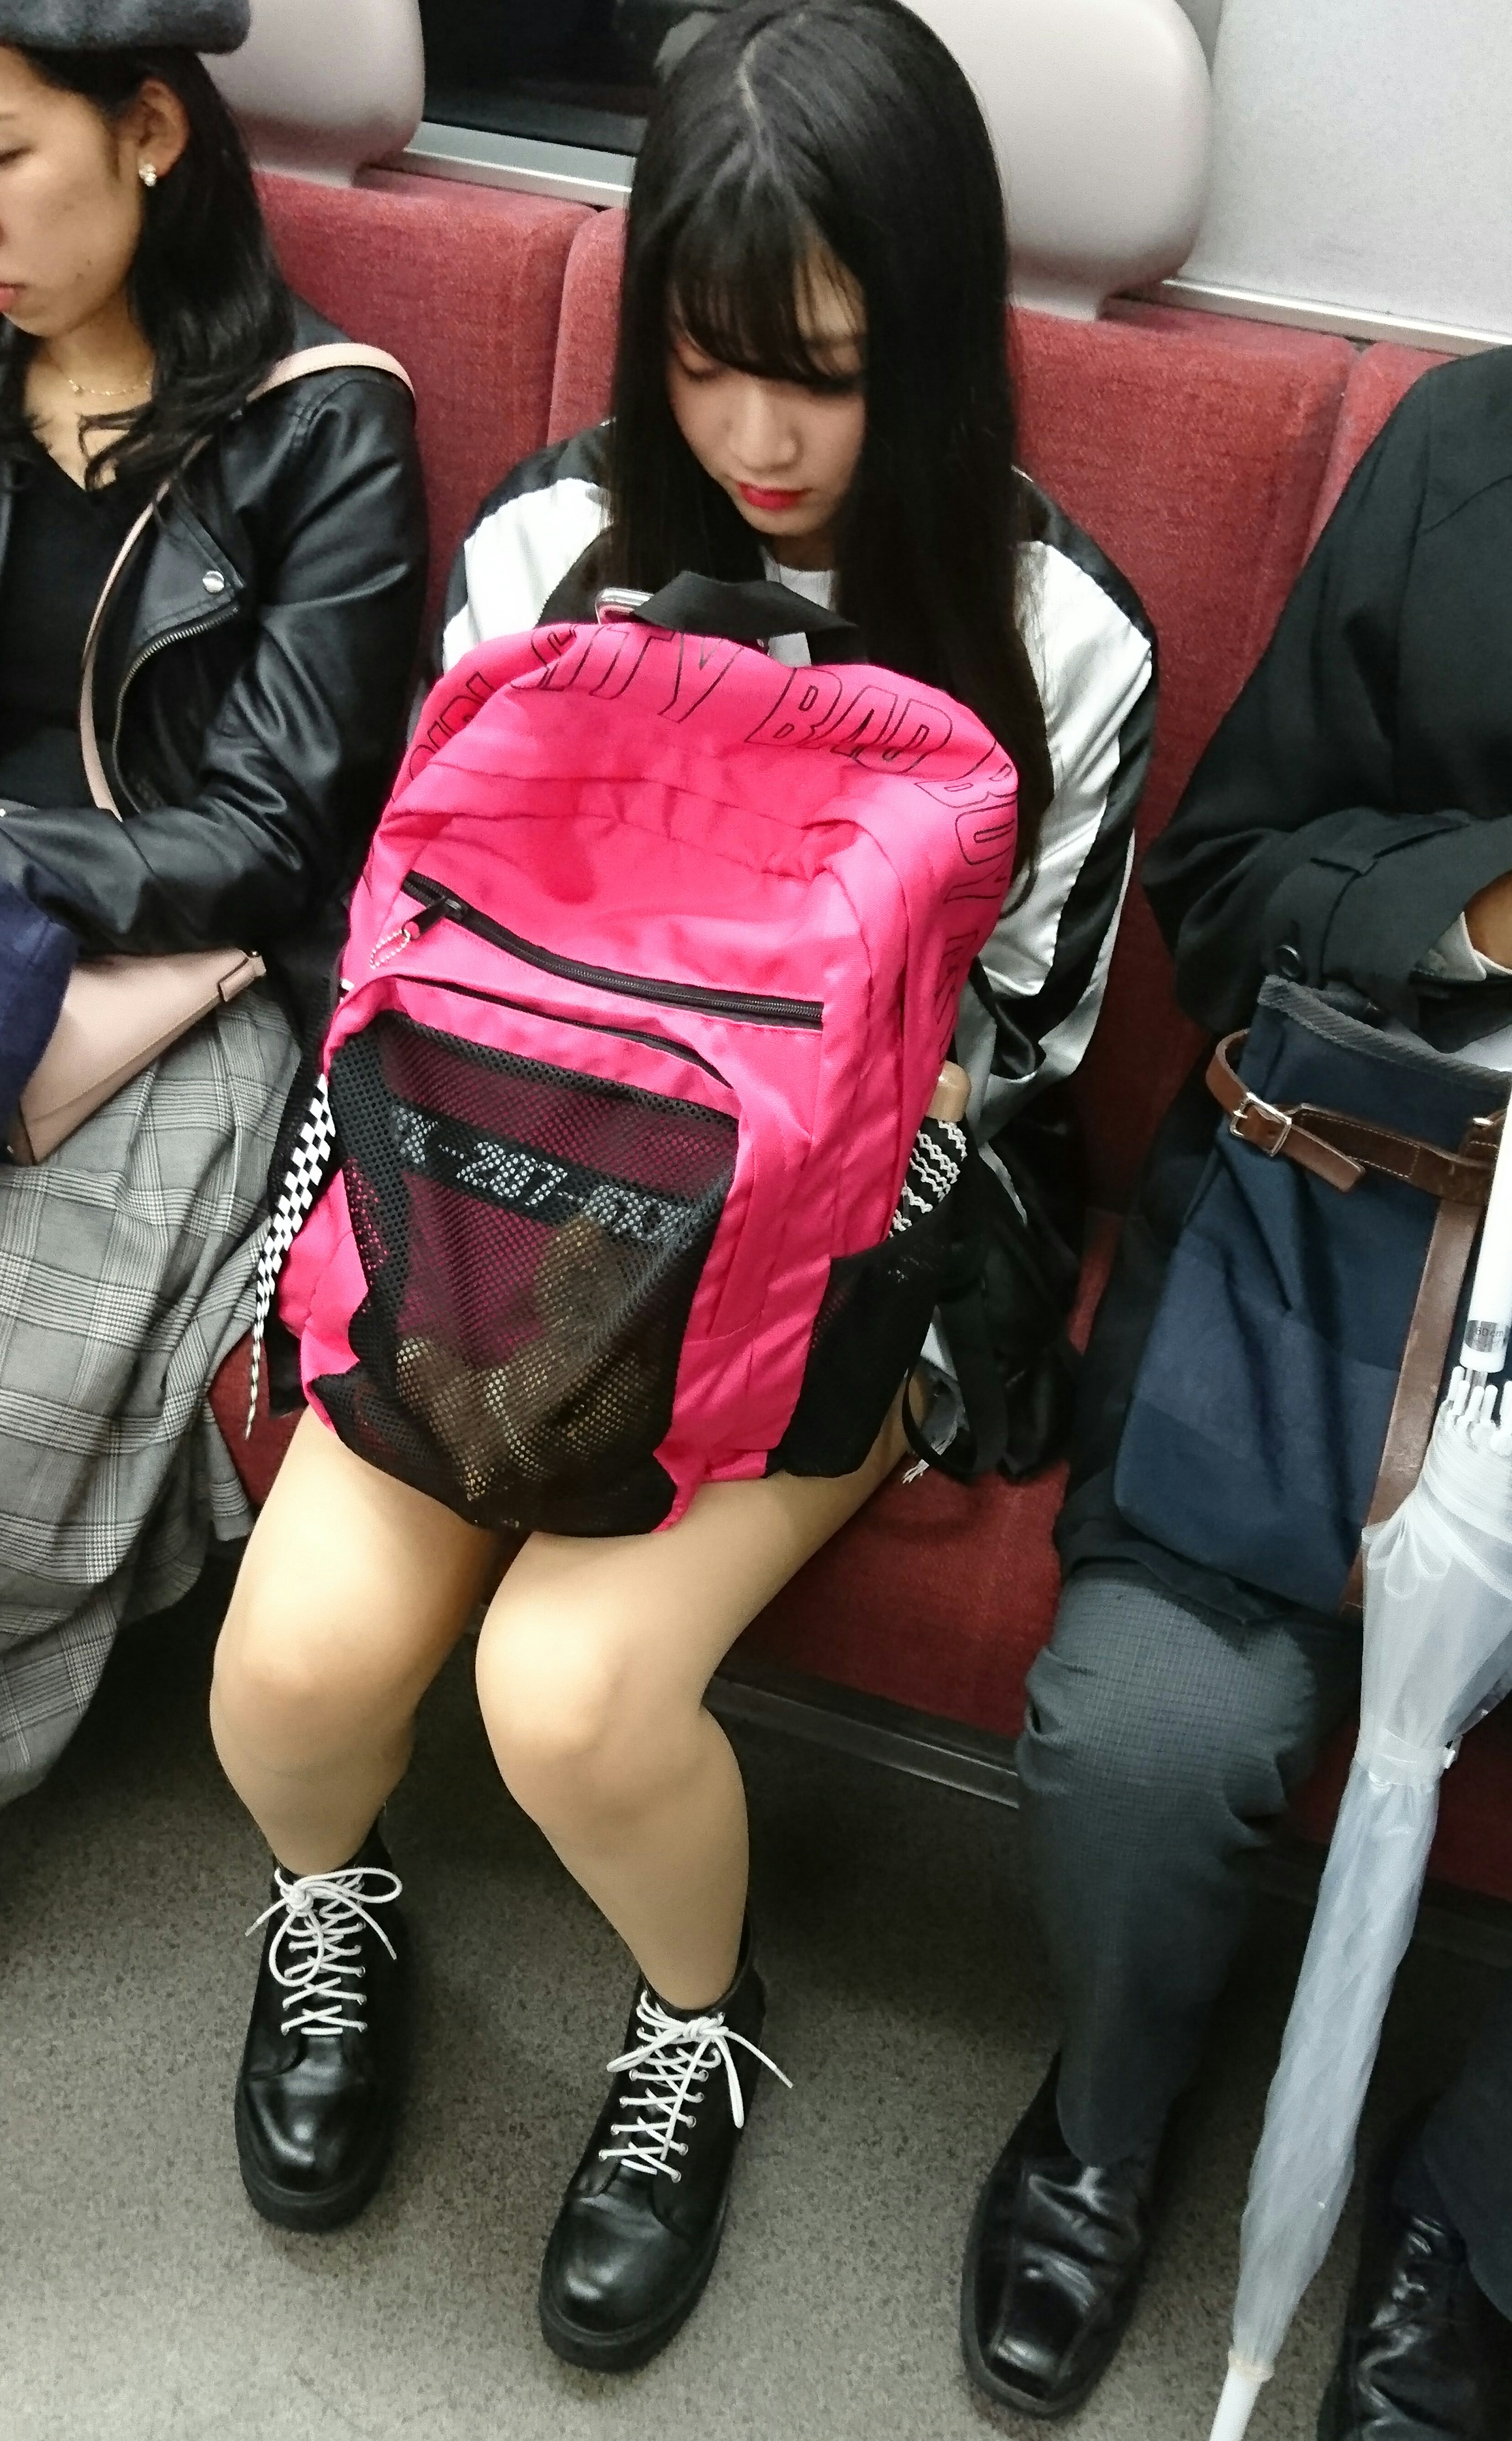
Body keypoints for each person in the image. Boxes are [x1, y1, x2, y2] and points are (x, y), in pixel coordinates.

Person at [209, 0, 1154, 2376]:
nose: (754, 438)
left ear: (931, 337)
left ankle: (689, 2022)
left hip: (850, 1238)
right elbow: (424, 951)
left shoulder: (1054, 636)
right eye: (709, 363)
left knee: (565, 1690)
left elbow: (1018, 1056)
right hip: (512, 1185)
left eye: (821, 374)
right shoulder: (551, 550)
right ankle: (334, 1903)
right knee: (290, 1673)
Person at [964, 350, 1512, 2438]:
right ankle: (1109, 2106)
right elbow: (1220, 887)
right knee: (1143, 1731)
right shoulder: (1466, 455)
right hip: (1337, 1240)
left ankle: (1471, 2219)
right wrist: (1471, 913)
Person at [0, 4, 426, 1805]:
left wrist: (19, 863)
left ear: (152, 134)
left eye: (3, 158)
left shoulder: (326, 427)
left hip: (190, 982)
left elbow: (272, 829)